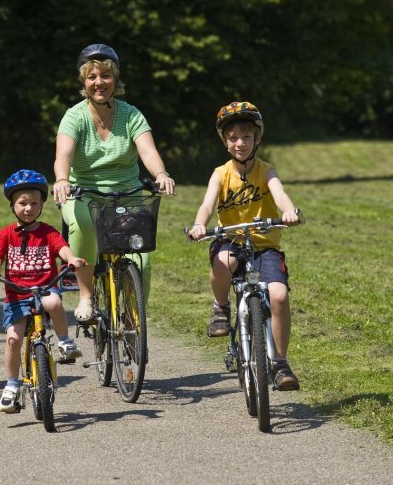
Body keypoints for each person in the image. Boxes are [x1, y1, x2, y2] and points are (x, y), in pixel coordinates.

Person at [52, 43, 175, 323]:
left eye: (105, 76)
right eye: (92, 77)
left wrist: (161, 175)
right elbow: (64, 154)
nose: (99, 83)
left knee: (141, 259)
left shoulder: (130, 114)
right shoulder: (75, 116)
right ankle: (85, 296)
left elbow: (148, 151)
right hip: (83, 192)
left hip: (127, 193)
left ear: (115, 80)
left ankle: (134, 318)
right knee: (82, 223)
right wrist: (61, 180)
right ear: (84, 81)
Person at [187, 101, 301, 390]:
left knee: (278, 295)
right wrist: (200, 224)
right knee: (224, 261)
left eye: (247, 137)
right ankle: (221, 307)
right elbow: (207, 204)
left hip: (265, 246)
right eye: (233, 137)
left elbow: (280, 194)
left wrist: (289, 212)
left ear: (257, 139)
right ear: (225, 142)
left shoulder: (267, 171)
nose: (240, 143)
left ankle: (280, 363)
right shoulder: (220, 174)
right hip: (231, 239)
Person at [0, 169, 87, 413]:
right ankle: (11, 385)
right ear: (12, 205)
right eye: (22, 203)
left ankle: (64, 342)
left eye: (34, 203)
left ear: (41, 205)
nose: (28, 208)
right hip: (17, 295)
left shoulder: (48, 232)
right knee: (13, 339)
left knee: (53, 303)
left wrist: (72, 259)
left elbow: (63, 249)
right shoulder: (7, 234)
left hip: (44, 289)